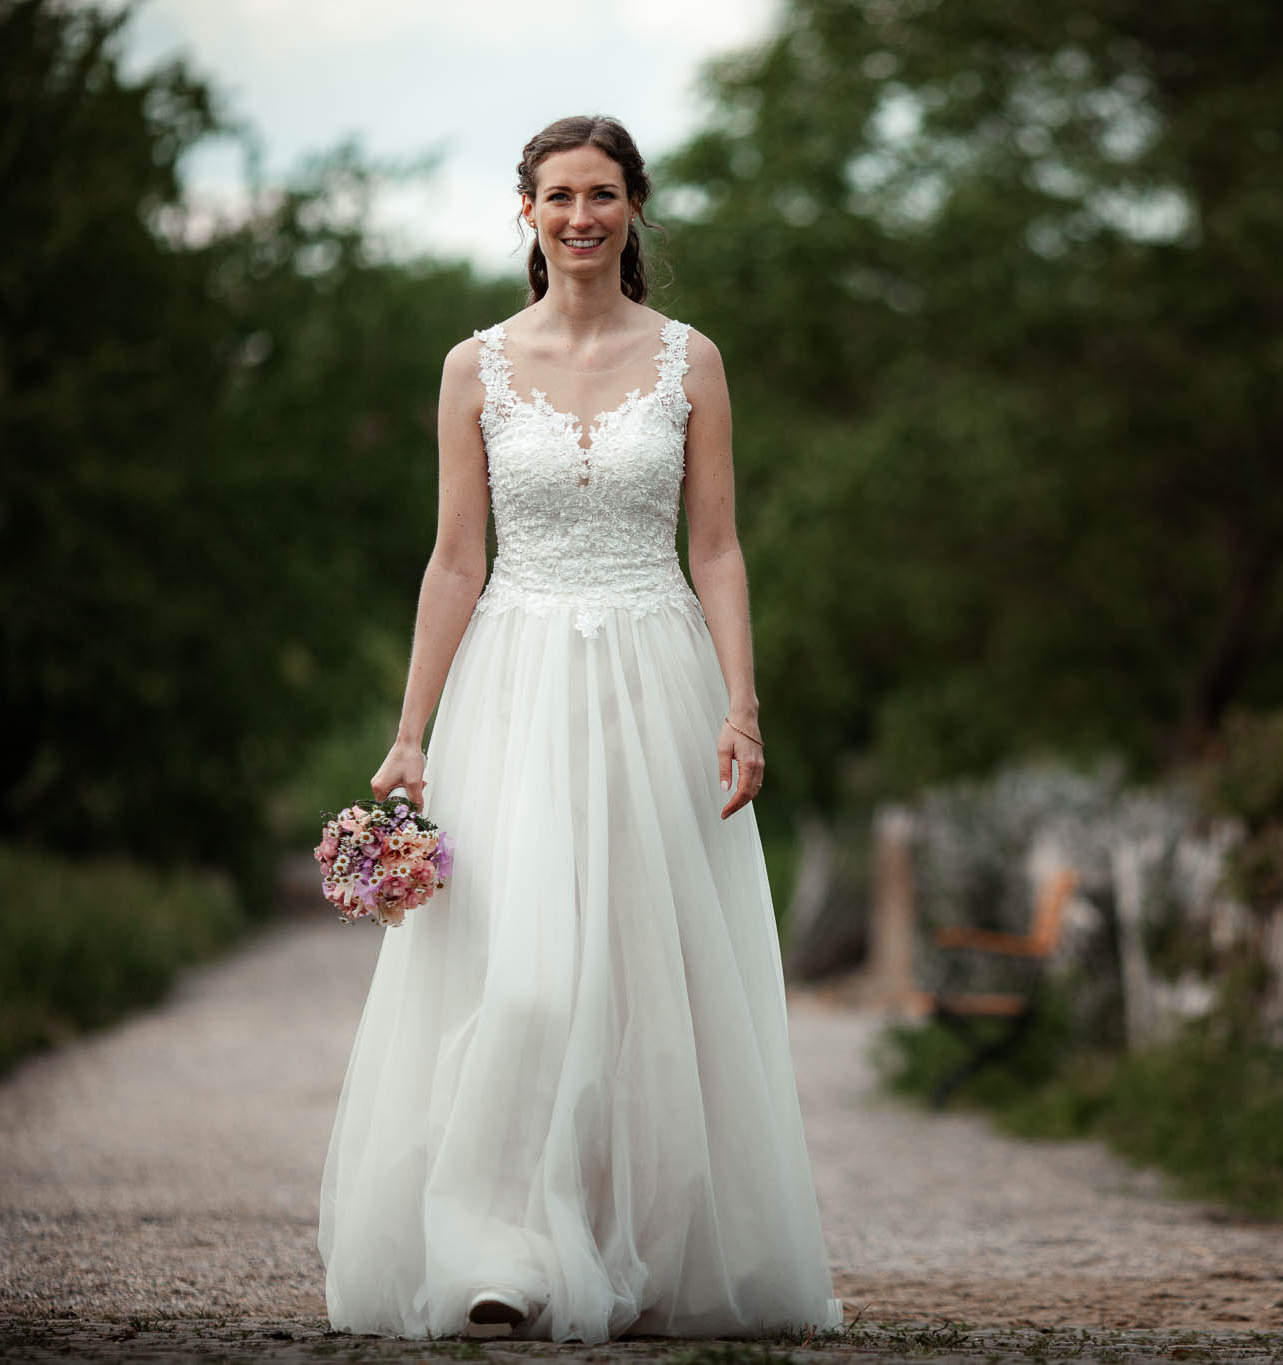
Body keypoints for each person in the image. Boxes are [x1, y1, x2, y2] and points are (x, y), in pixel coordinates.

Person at [316, 114, 844, 1344]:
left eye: (602, 194)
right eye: (558, 195)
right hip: (516, 683)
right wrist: (411, 733)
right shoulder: (475, 366)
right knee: (527, 979)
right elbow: (455, 561)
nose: (581, 216)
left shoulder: (691, 361)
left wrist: (741, 704)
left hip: (658, 679)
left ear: (635, 209)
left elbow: (714, 546)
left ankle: (633, 1249)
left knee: (647, 987)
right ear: (526, 212)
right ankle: (499, 1246)